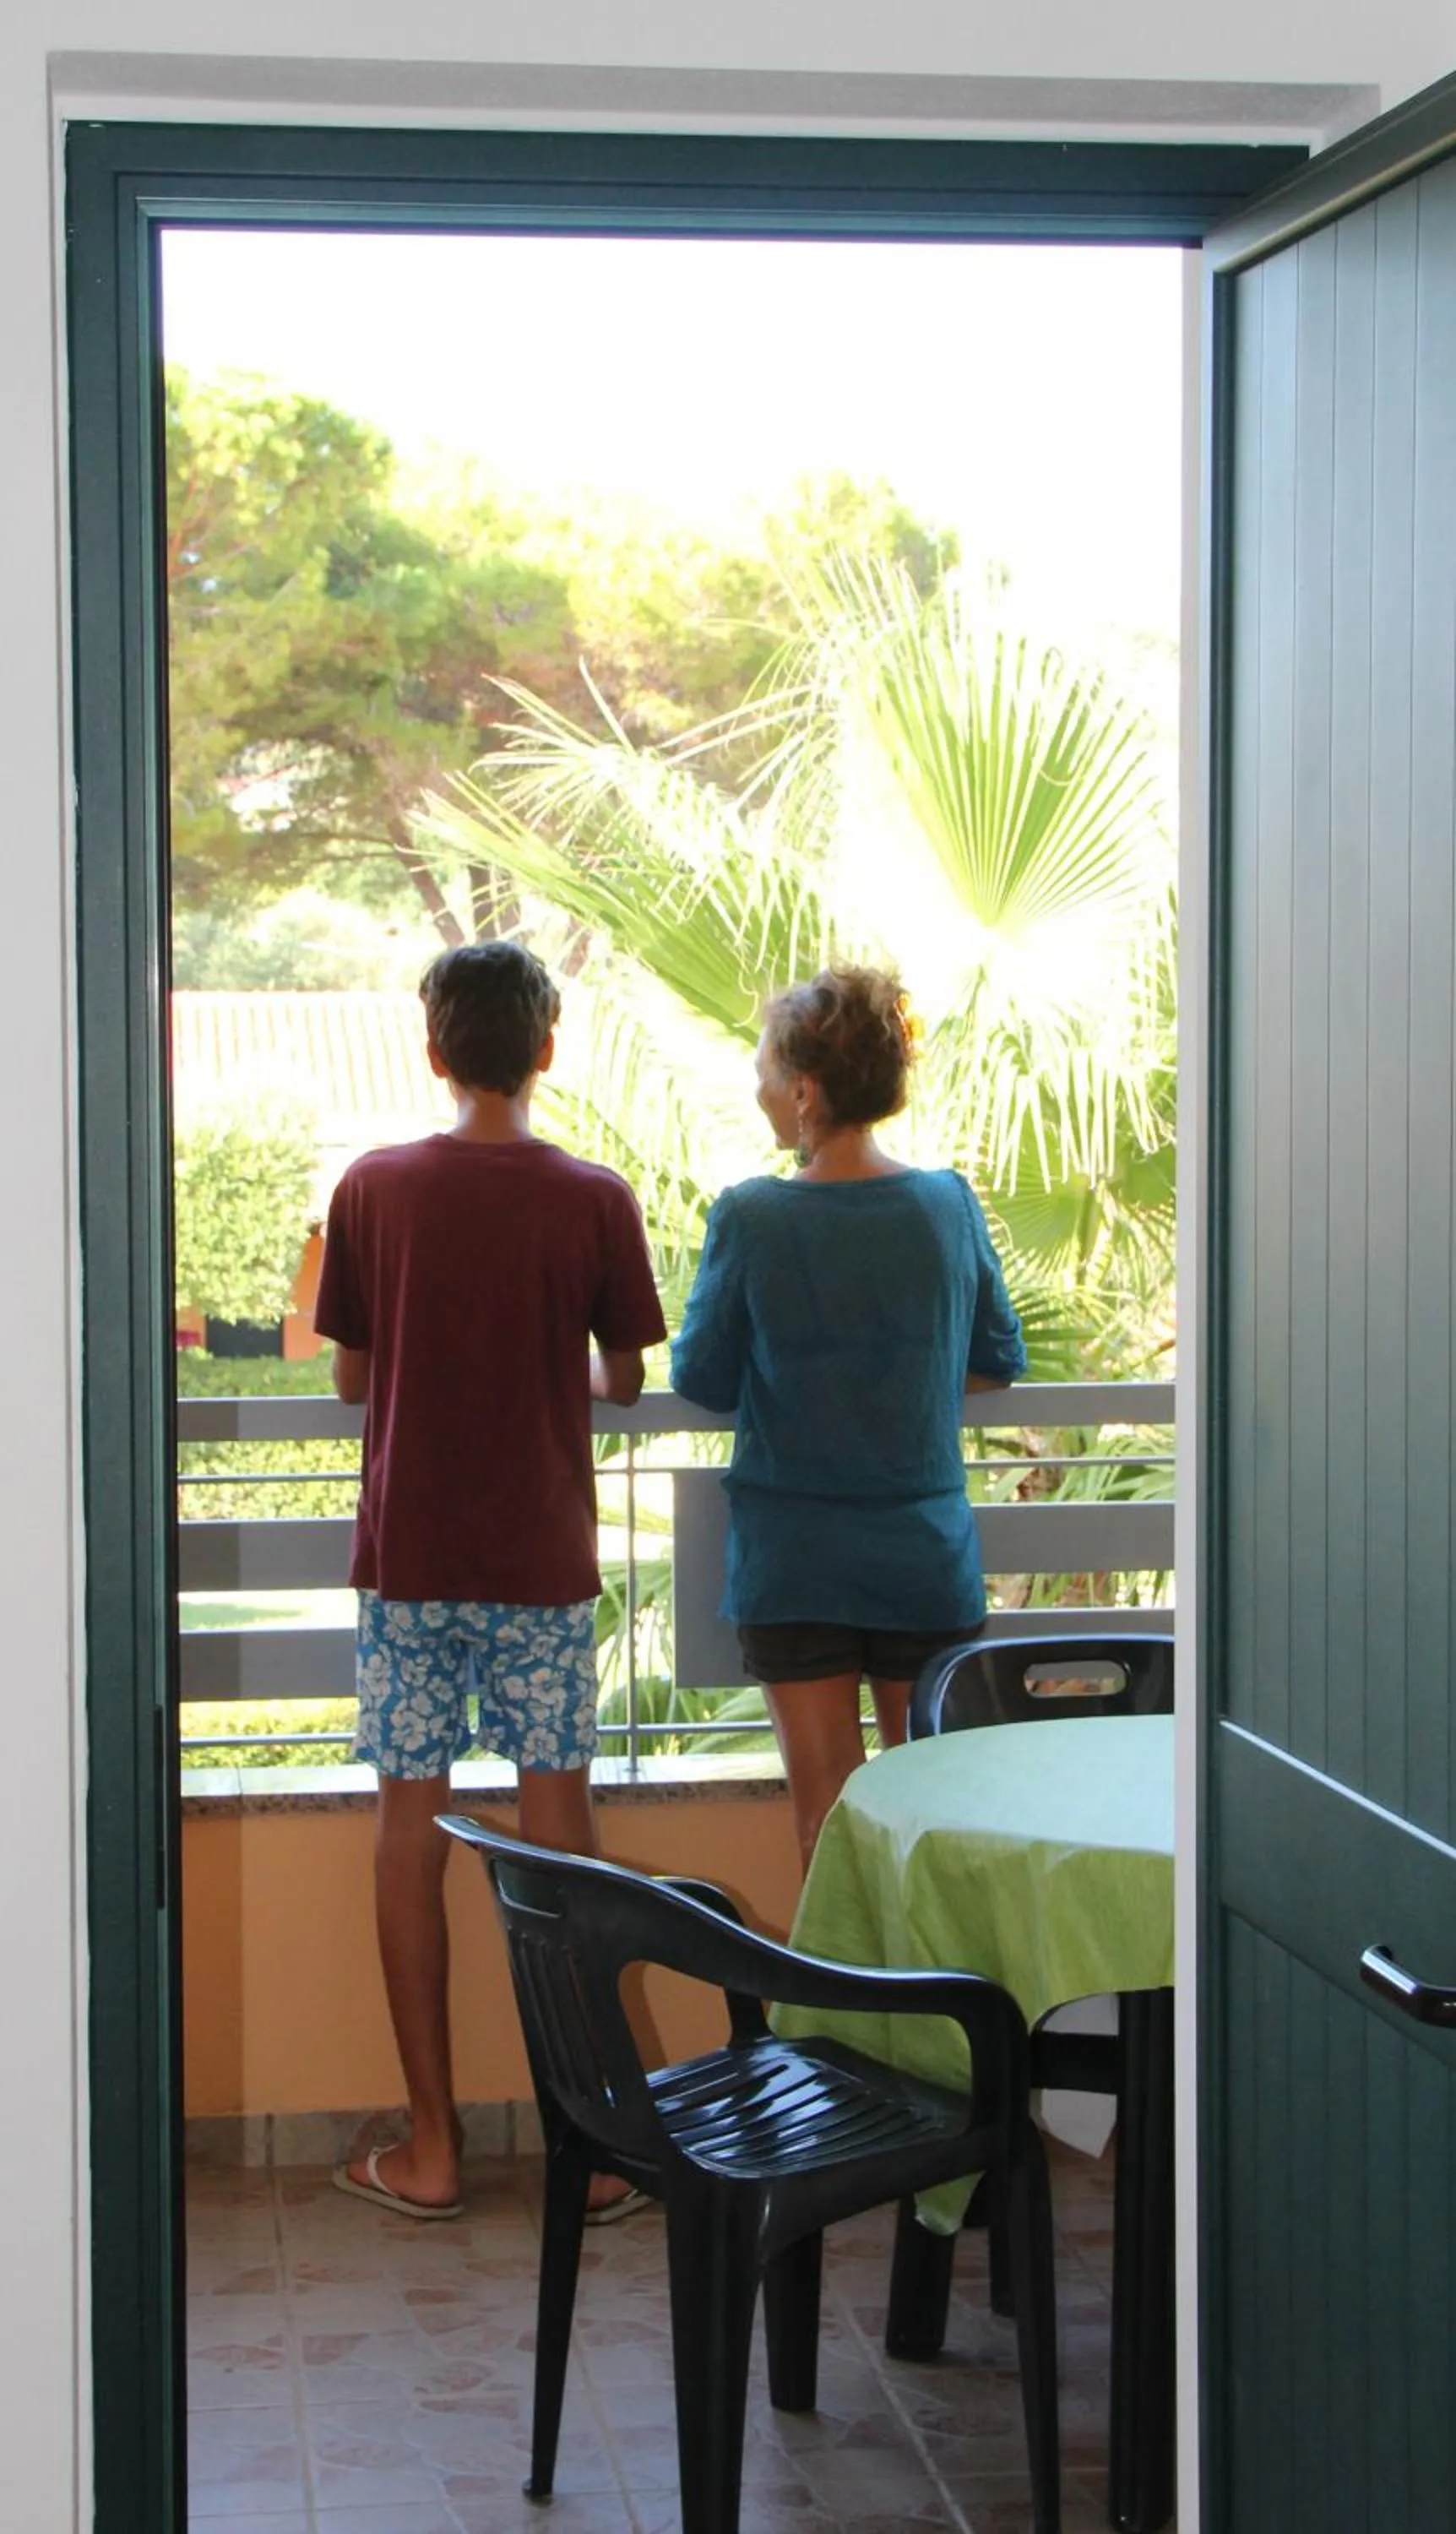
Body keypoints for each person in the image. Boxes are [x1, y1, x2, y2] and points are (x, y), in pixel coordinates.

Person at [313, 940, 666, 2217]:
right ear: (547, 1050)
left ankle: (433, 2146)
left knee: (411, 1836)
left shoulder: (374, 1189)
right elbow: (622, 1376)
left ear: (434, 1049)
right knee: (564, 1840)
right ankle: (606, 2149)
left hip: (411, 1560)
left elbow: (351, 1379)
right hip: (541, 1559)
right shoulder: (594, 1196)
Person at [671, 965, 1026, 1873]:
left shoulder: (751, 1215)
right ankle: (939, 2010)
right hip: (922, 1548)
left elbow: (702, 1375)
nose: (755, 1085)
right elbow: (995, 1359)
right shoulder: (946, 1203)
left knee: (825, 1828)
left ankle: (846, 2013)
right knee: (934, 1823)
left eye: (762, 1067)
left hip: (795, 1559)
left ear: (803, 1089)